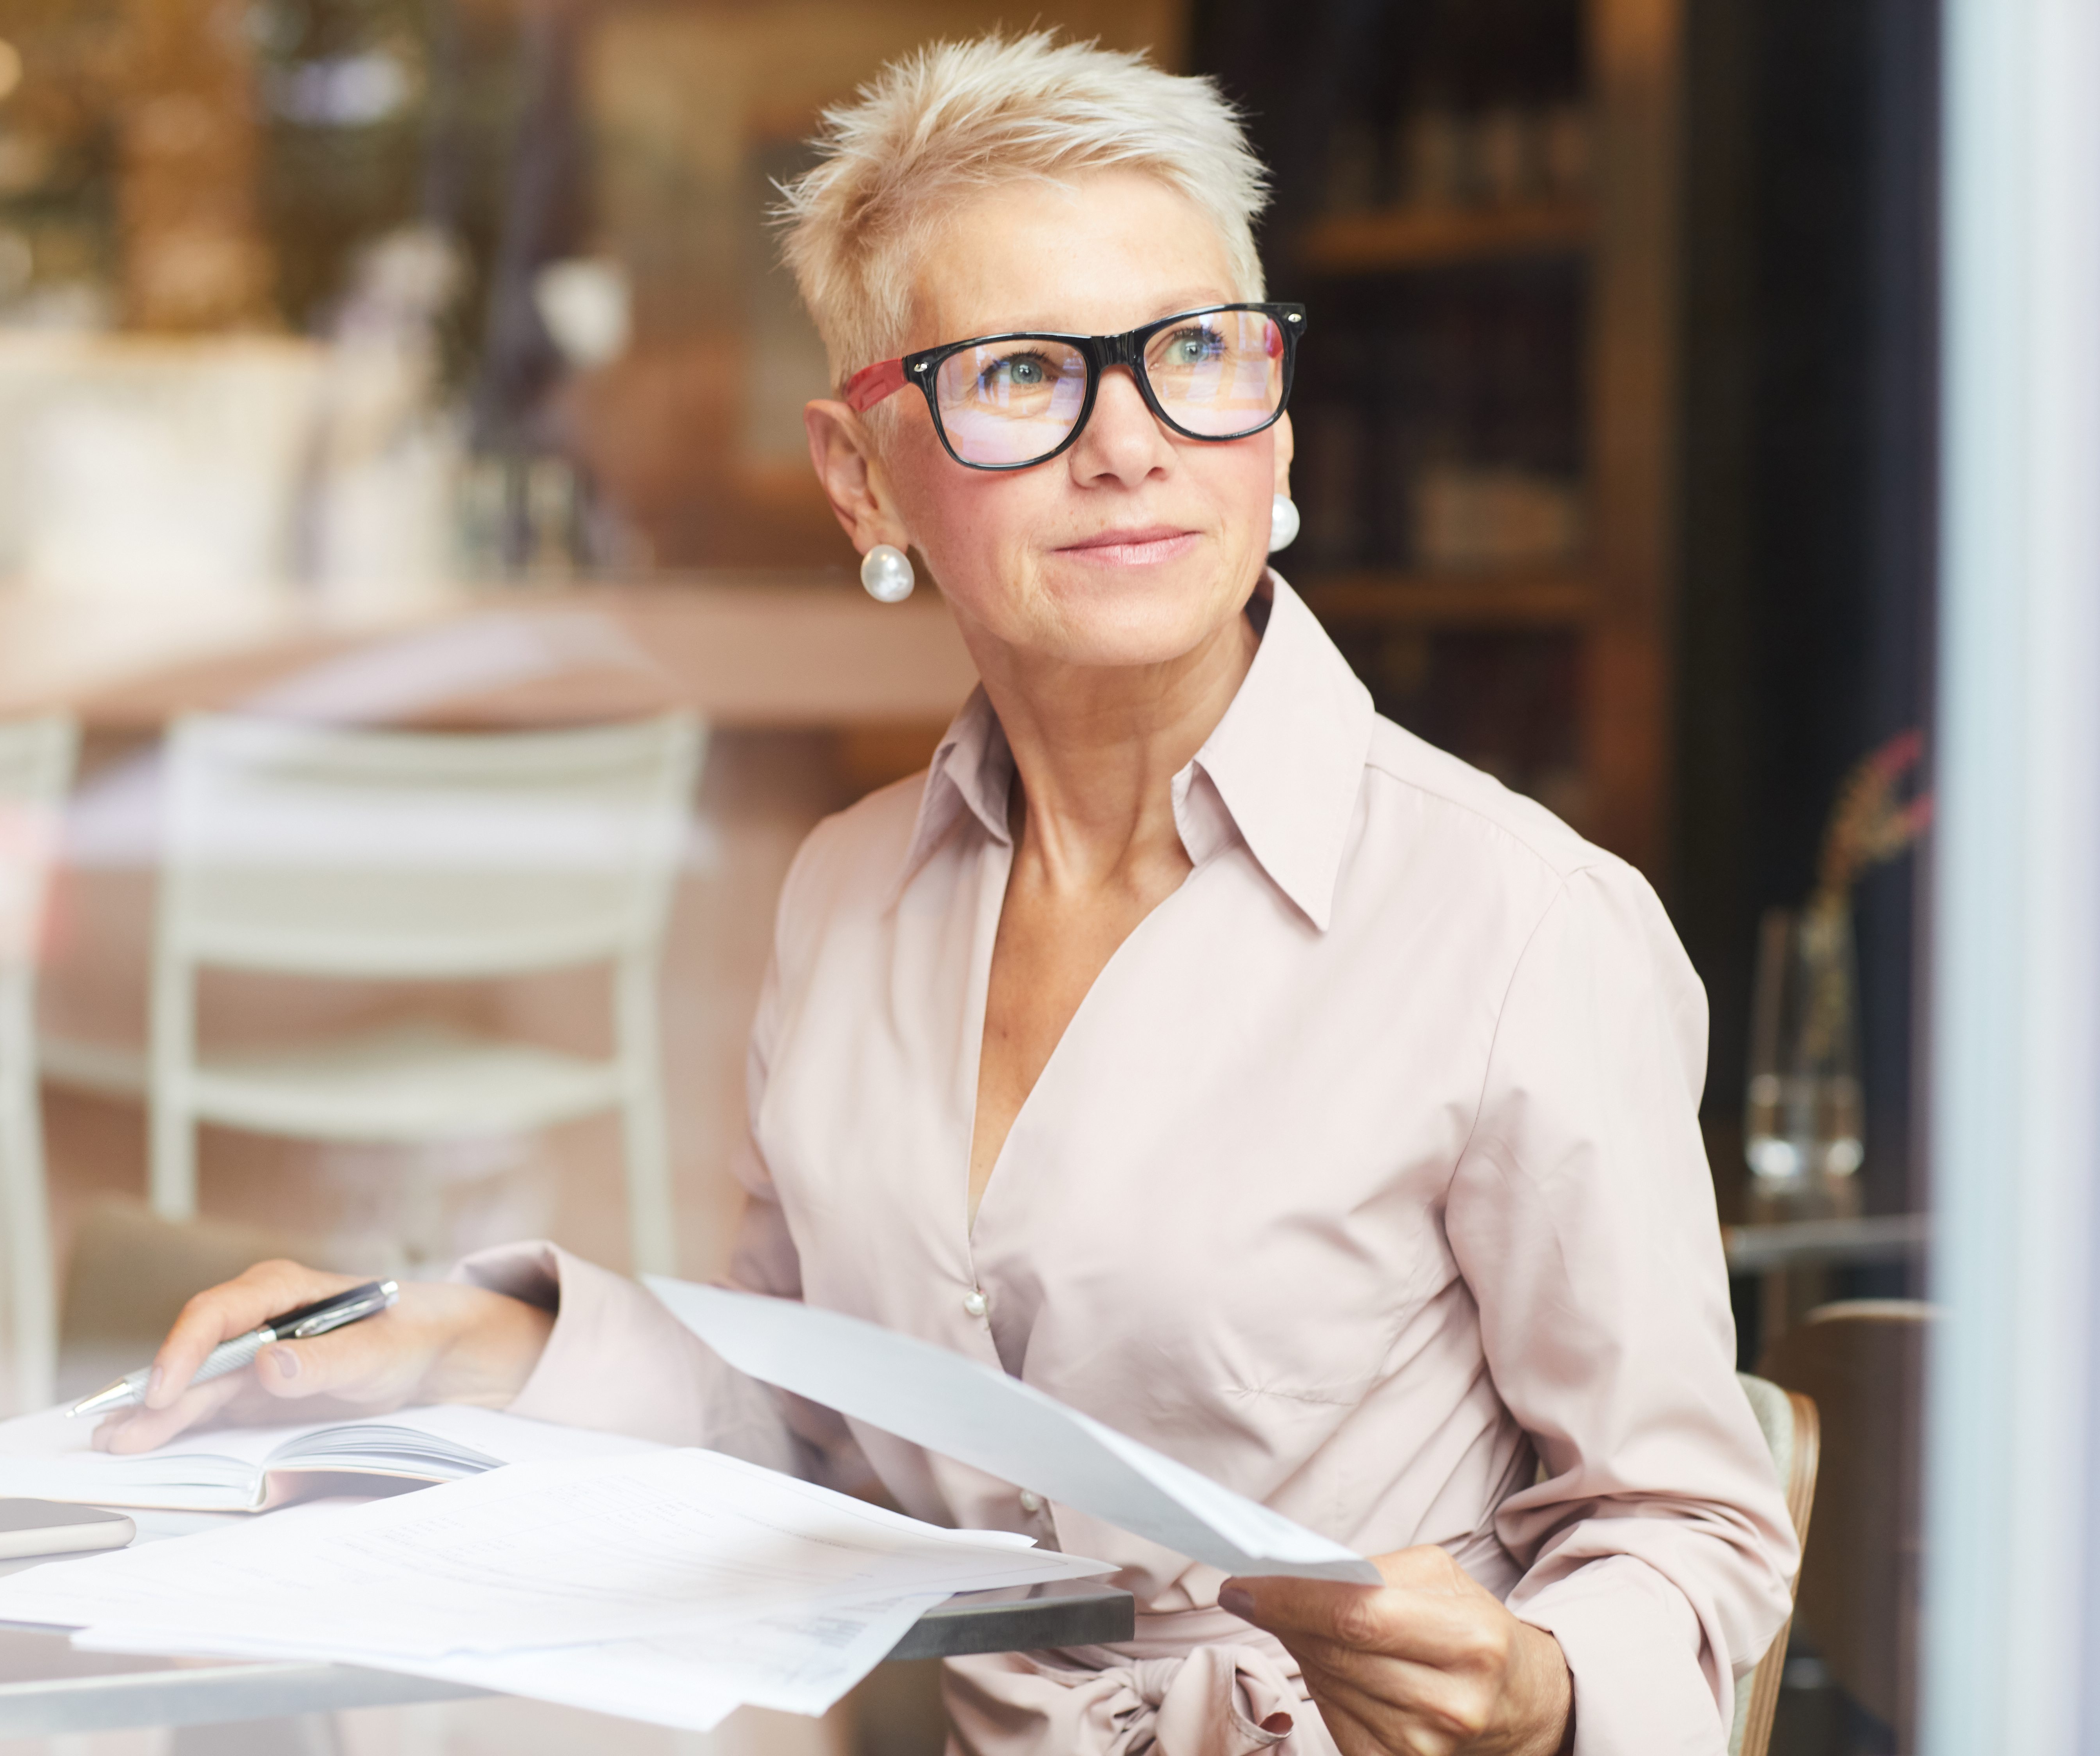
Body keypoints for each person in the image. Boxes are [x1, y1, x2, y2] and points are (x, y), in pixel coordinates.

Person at [100, 33, 1796, 1756]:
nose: (1129, 444)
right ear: (861, 475)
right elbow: (816, 1419)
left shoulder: (1519, 923)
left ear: (1275, 431)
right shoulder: (847, 896)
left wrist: (1538, 1687)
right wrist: (458, 1341)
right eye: (1020, 375)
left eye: (1196, 354)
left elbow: (1698, 1530)